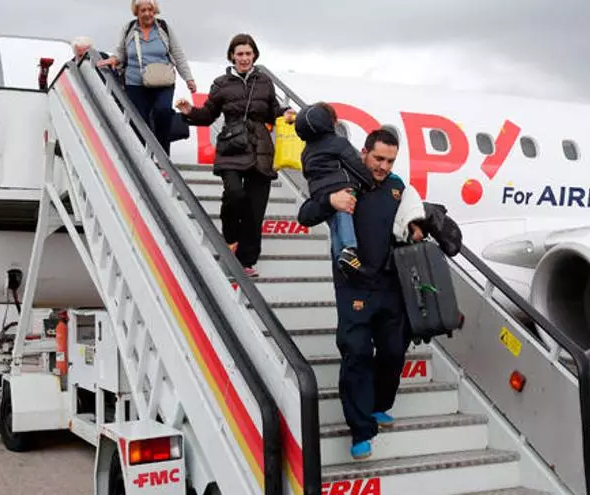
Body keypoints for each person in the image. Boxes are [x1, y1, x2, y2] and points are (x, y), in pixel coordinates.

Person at [297, 129, 423, 460]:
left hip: (390, 283)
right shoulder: (343, 181)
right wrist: (330, 201)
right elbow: (305, 215)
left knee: (394, 350)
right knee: (357, 353)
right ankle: (361, 430)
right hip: (353, 284)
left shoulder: (397, 187)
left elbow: (409, 216)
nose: (383, 166)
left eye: (390, 161)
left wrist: (416, 227)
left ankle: (380, 404)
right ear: (364, 152)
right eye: (378, 158)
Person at [175, 33, 295, 278]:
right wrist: (190, 112)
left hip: (260, 149)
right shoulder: (221, 83)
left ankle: (245, 262)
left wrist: (285, 113)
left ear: (254, 56)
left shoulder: (264, 82)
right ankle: (230, 237)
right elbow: (208, 115)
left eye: (248, 53)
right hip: (232, 146)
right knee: (234, 194)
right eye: (239, 54)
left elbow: (273, 111)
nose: (244, 58)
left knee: (255, 211)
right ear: (232, 56)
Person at [96, 0, 196, 157]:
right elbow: (121, 52)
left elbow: (178, 54)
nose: (147, 13)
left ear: (155, 11)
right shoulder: (129, 29)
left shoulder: (163, 28)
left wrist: (189, 79)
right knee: (139, 122)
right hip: (135, 83)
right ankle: (143, 158)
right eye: (143, 10)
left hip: (163, 81)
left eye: (150, 9)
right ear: (136, 12)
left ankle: (162, 155)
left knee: (163, 111)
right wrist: (113, 59)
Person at [295, 102, 374, 276]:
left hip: (319, 191)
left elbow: (307, 173)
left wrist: (323, 196)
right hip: (340, 184)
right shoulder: (338, 143)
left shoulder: (305, 152)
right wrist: (369, 182)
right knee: (344, 212)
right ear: (329, 123)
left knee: (334, 221)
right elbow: (354, 165)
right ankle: (349, 248)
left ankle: (342, 258)